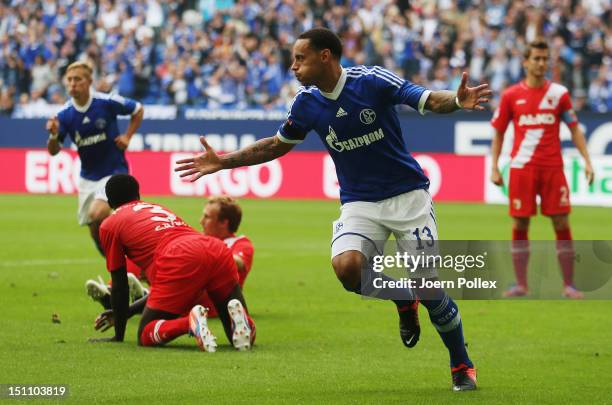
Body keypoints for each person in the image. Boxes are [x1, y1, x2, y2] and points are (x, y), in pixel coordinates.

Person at [175, 28, 491, 390]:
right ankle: (403, 298)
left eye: (300, 58)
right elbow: (276, 146)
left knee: (429, 288)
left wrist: (456, 99)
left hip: (408, 198)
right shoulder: (306, 102)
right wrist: (224, 161)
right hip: (359, 202)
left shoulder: (371, 80)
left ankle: (461, 364)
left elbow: (427, 100)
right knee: (347, 269)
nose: (293, 66)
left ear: (325, 56)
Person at [89, 174, 255, 351]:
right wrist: (127, 312)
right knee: (237, 336)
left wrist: (118, 335)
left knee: (145, 332)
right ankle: (245, 323)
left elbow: (120, 284)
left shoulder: (109, 224)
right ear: (138, 195)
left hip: (178, 255)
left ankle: (189, 323)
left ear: (110, 202)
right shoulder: (156, 207)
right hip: (215, 248)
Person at [490, 39, 594, 299]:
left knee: (561, 220)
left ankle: (569, 285)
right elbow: (499, 132)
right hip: (522, 168)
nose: (541, 63)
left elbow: (574, 129)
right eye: (536, 58)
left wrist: (587, 161)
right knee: (520, 221)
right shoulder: (511, 95)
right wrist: (495, 166)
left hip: (552, 168)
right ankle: (521, 285)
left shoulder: (559, 94)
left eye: (545, 59)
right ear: (525, 62)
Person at [46, 61, 144, 256]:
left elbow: (138, 109)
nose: (73, 84)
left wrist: (127, 136)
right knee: (95, 232)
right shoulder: (64, 115)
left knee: (97, 213)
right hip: (88, 177)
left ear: (89, 81)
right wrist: (54, 135)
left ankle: (130, 258)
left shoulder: (106, 102)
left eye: (78, 79)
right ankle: (120, 275)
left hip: (114, 171)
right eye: (70, 80)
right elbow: (54, 151)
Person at [198, 196, 255, 317]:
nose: (201, 221)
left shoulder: (242, 244)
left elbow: (238, 262)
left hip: (213, 307)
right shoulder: (199, 240)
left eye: (207, 217)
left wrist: (204, 251)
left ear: (224, 222)